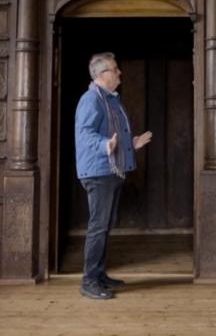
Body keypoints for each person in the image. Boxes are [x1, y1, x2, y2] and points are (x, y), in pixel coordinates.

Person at [75, 52, 152, 300]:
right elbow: (85, 133)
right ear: (102, 75)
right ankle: (89, 282)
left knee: (105, 226)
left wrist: (132, 143)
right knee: (98, 228)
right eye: (115, 69)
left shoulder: (110, 100)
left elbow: (113, 134)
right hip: (99, 172)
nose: (119, 73)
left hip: (110, 171)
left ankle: (99, 276)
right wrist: (104, 145)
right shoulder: (91, 100)